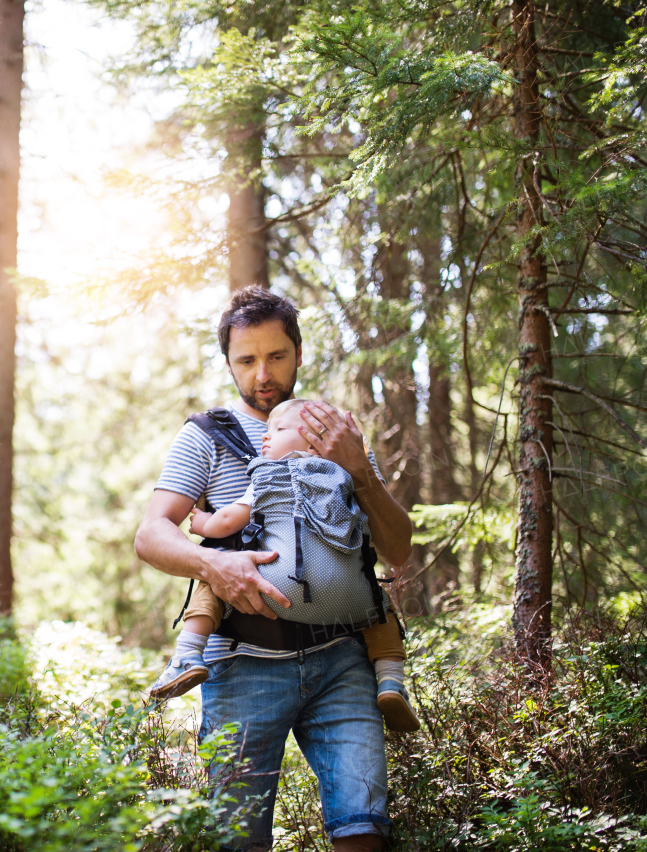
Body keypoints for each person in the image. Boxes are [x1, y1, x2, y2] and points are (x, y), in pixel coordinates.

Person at [134, 287, 414, 852]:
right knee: (239, 840)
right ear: (229, 362)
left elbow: (397, 547)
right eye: (246, 359)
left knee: (364, 830)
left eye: (277, 356)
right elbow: (152, 534)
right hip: (242, 666)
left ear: (299, 353)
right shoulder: (206, 436)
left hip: (342, 659)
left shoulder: (336, 432)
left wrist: (360, 470)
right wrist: (216, 562)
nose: (263, 373)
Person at [147, 397, 420, 734]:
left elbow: (230, 520)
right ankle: (391, 681)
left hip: (277, 588)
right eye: (247, 360)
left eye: (277, 430)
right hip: (347, 601)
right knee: (379, 608)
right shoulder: (345, 473)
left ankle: (187, 655)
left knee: (217, 572)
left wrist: (203, 524)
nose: (265, 436)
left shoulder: (269, 471)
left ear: (311, 439)